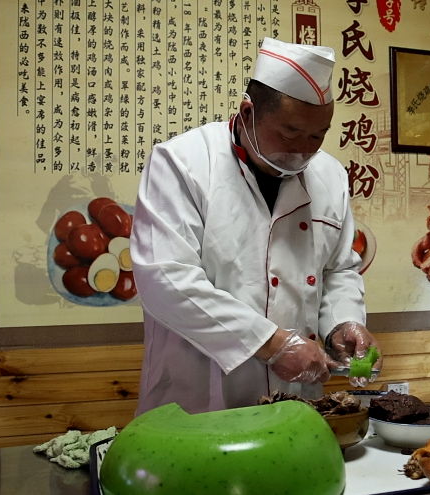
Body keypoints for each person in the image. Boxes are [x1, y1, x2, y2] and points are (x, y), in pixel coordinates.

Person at [131, 38, 382, 415]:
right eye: (290, 132)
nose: (304, 150)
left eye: (318, 135)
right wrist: (271, 344)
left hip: (299, 400)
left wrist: (343, 322)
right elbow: (166, 279)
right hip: (200, 398)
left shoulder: (330, 176)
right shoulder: (183, 163)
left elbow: (338, 270)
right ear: (248, 112)